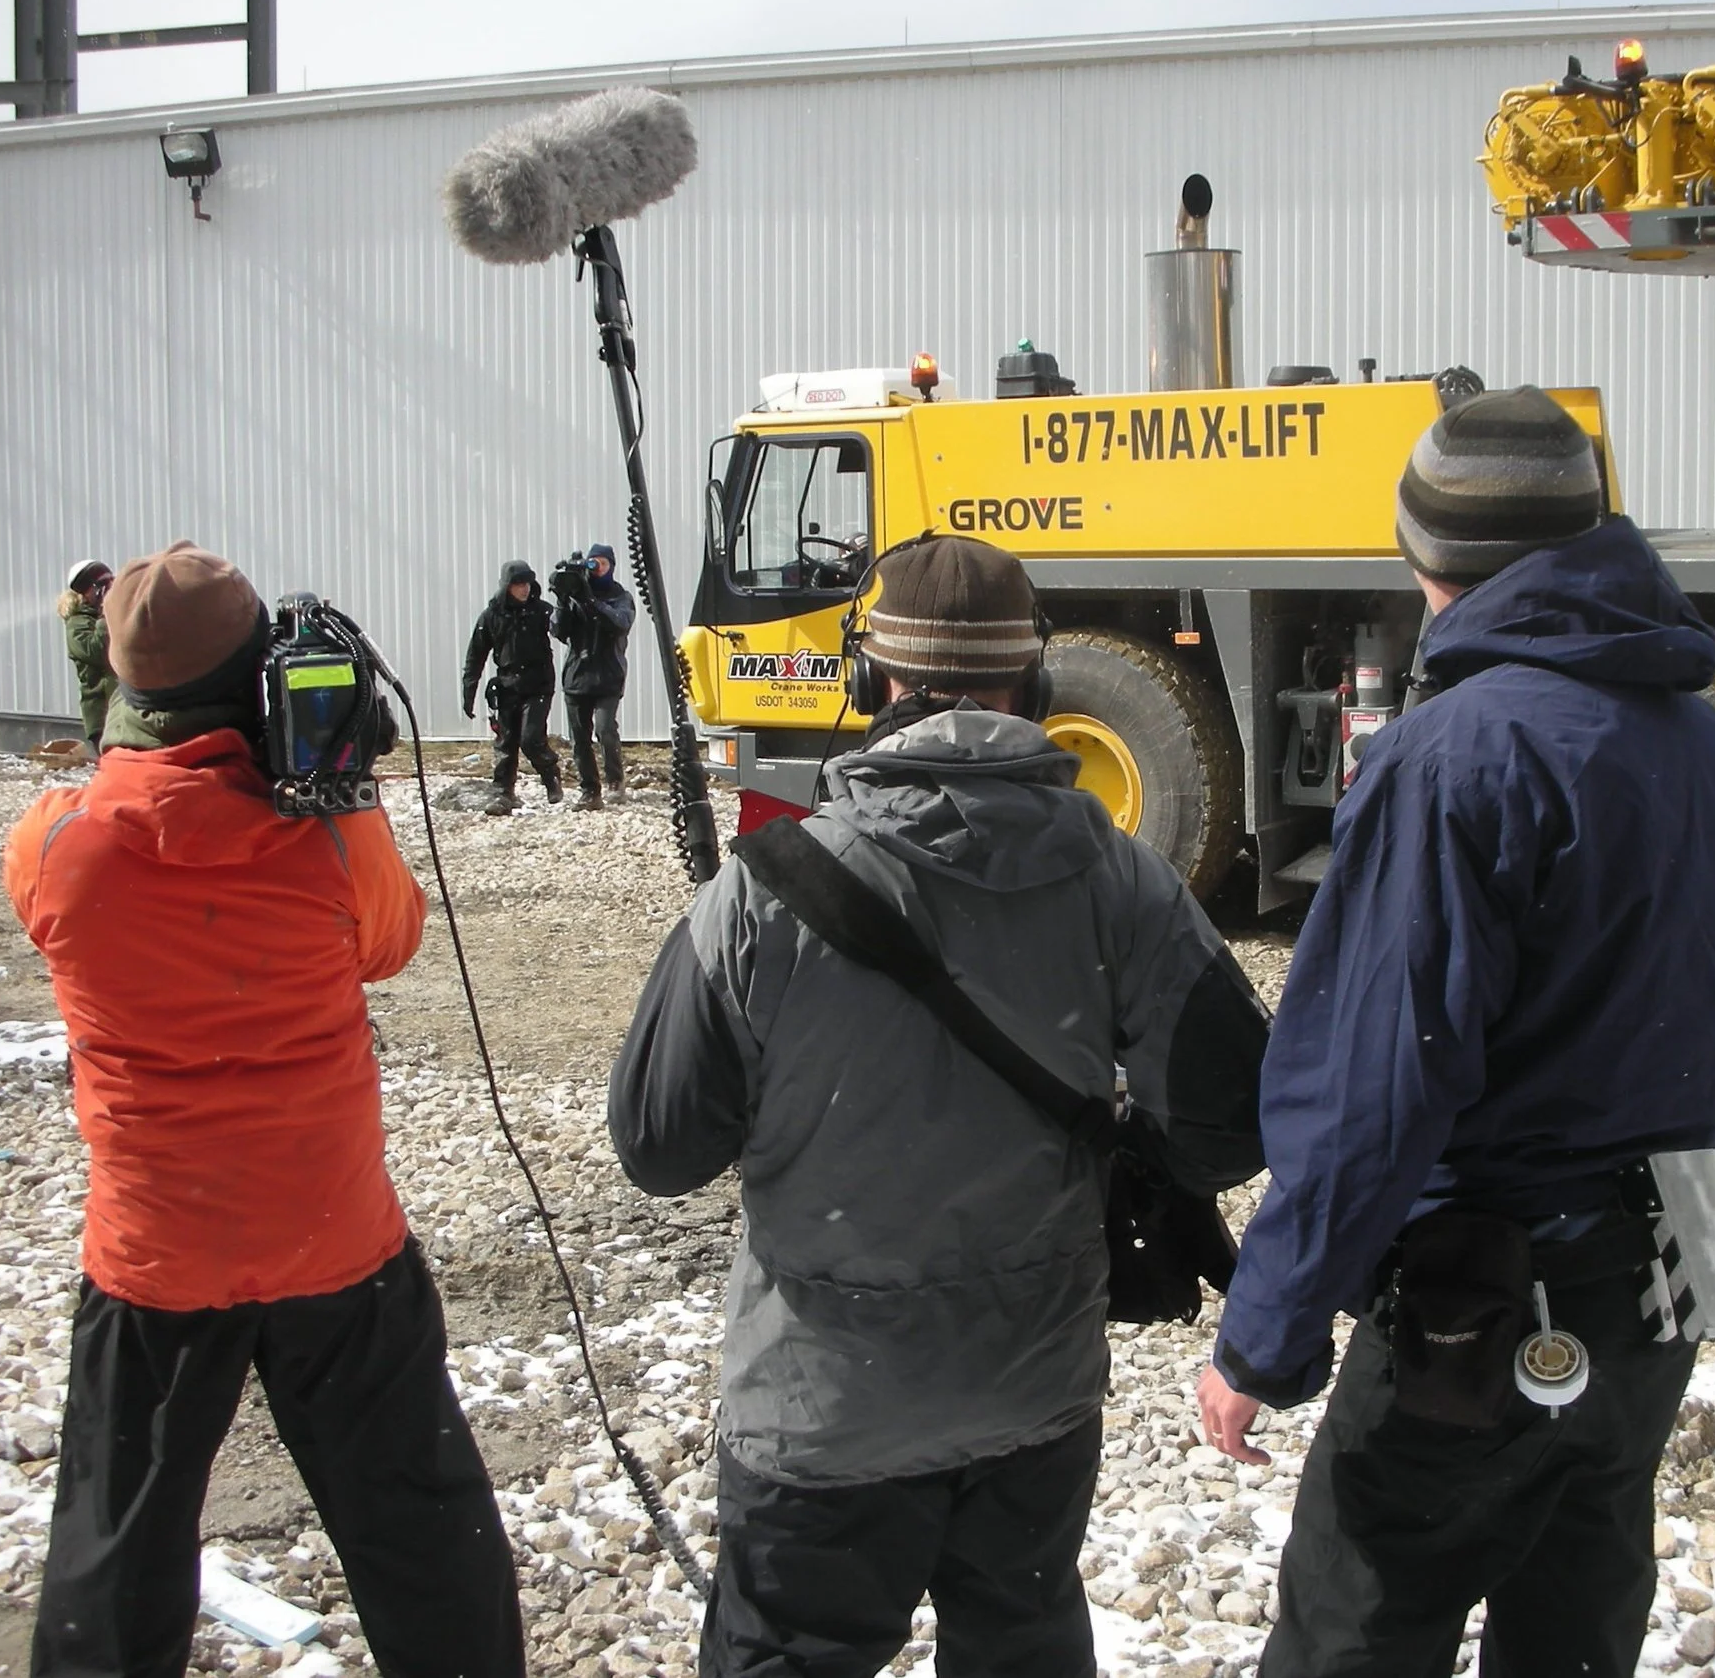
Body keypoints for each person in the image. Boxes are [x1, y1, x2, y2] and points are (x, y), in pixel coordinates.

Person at [1194, 387, 1715, 1678]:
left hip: (1492, 1275)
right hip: (1679, 1254)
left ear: (1425, 557)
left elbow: (1375, 1088)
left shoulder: (1452, 757)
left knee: (1359, 1623)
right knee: (1582, 1610)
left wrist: (1265, 1336)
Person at [610, 534, 1269, 1678]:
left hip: (820, 1412)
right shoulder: (1124, 880)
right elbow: (1231, 1123)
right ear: (1037, 684)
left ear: (868, 680)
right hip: (1034, 1397)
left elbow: (660, 1149)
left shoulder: (761, 894)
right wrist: (1127, 1147)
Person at [3, 541, 523, 1678]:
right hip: (329, 1239)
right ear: (262, 676)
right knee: (418, 1524)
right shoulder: (326, 836)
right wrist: (341, 788)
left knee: (116, 1538)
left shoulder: (54, 845)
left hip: (155, 1250)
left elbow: (96, 838)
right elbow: (391, 942)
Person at [461, 558, 561, 817]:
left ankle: (551, 776)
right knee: (506, 742)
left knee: (531, 738)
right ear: (507, 586)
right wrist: (469, 692)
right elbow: (476, 655)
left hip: (539, 685)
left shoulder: (541, 611)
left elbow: (563, 629)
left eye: (527, 583)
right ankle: (503, 792)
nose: (524, 589)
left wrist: (565, 602)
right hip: (507, 685)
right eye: (519, 584)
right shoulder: (492, 616)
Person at [551, 542, 636, 810]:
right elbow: (559, 631)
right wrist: (563, 600)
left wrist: (591, 601)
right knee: (579, 737)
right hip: (578, 676)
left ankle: (615, 780)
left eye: (603, 563)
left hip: (608, 675)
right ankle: (589, 790)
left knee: (605, 729)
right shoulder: (576, 597)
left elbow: (620, 623)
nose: (597, 568)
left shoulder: (620, 597)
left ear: (612, 566)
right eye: (593, 562)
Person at [56, 558, 116, 752]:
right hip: (102, 713)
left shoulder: (109, 617)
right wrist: (106, 615)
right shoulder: (77, 624)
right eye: (102, 585)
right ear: (86, 591)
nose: (109, 590)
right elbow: (97, 651)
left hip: (123, 711)